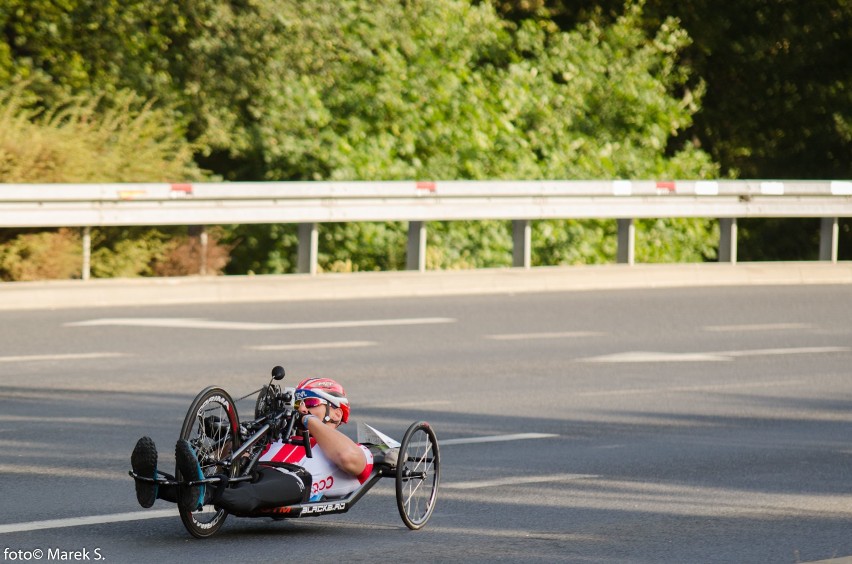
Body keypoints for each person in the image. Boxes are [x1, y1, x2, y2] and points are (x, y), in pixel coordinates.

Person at [131, 377, 374, 515]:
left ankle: (205, 491)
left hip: (297, 479)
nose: (302, 407)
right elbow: (232, 454)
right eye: (299, 402)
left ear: (336, 412)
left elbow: (347, 458)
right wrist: (223, 447)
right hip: (256, 466)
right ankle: (152, 482)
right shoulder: (282, 434)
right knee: (217, 478)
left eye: (310, 402)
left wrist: (309, 420)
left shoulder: (353, 447)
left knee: (248, 494)